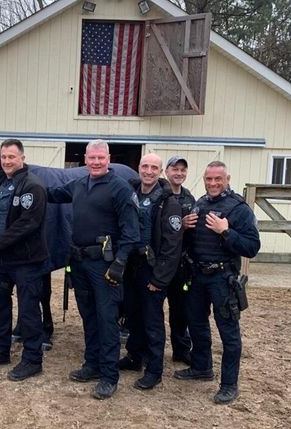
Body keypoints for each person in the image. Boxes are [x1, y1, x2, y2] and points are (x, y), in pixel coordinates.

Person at [46, 139, 140, 400]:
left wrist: (120, 263)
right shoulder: (79, 185)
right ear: (85, 159)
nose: (96, 162)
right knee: (88, 316)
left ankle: (109, 376)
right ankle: (92, 364)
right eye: (91, 158)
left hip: (105, 265)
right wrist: (25, 185)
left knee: (107, 319)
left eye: (101, 158)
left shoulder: (120, 189)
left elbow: (131, 233)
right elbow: (52, 194)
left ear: (108, 159)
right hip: (79, 262)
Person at [174, 160, 260, 404]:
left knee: (228, 332)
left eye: (217, 179)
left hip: (223, 278)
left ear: (227, 179)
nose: (212, 183)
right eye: (208, 179)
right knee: (196, 323)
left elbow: (252, 247)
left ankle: (229, 384)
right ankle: (202, 366)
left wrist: (226, 231)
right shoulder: (200, 204)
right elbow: (193, 241)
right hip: (198, 276)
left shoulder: (239, 209)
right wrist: (185, 227)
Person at [0, 139, 49, 381]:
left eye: (12, 157)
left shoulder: (32, 186)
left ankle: (32, 360)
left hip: (27, 262)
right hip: (2, 261)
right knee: (0, 305)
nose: (7, 161)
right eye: (4, 157)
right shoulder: (1, 185)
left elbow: (28, 224)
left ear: (22, 158)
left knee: (28, 311)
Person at [119, 153, 183, 390]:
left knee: (152, 321)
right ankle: (134, 357)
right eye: (144, 166)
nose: (148, 171)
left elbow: (172, 246)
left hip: (152, 269)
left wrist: (160, 279)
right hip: (131, 266)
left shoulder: (169, 203)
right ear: (138, 168)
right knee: (132, 316)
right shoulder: (129, 193)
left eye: (153, 167)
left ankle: (154, 370)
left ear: (160, 171)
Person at [164, 156, 195, 365]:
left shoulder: (189, 198)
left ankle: (181, 349)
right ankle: (150, 349)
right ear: (166, 171)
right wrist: (178, 226)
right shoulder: (160, 195)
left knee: (180, 310)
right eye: (175, 169)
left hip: (181, 265)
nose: (179, 173)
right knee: (152, 311)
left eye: (183, 170)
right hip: (160, 263)